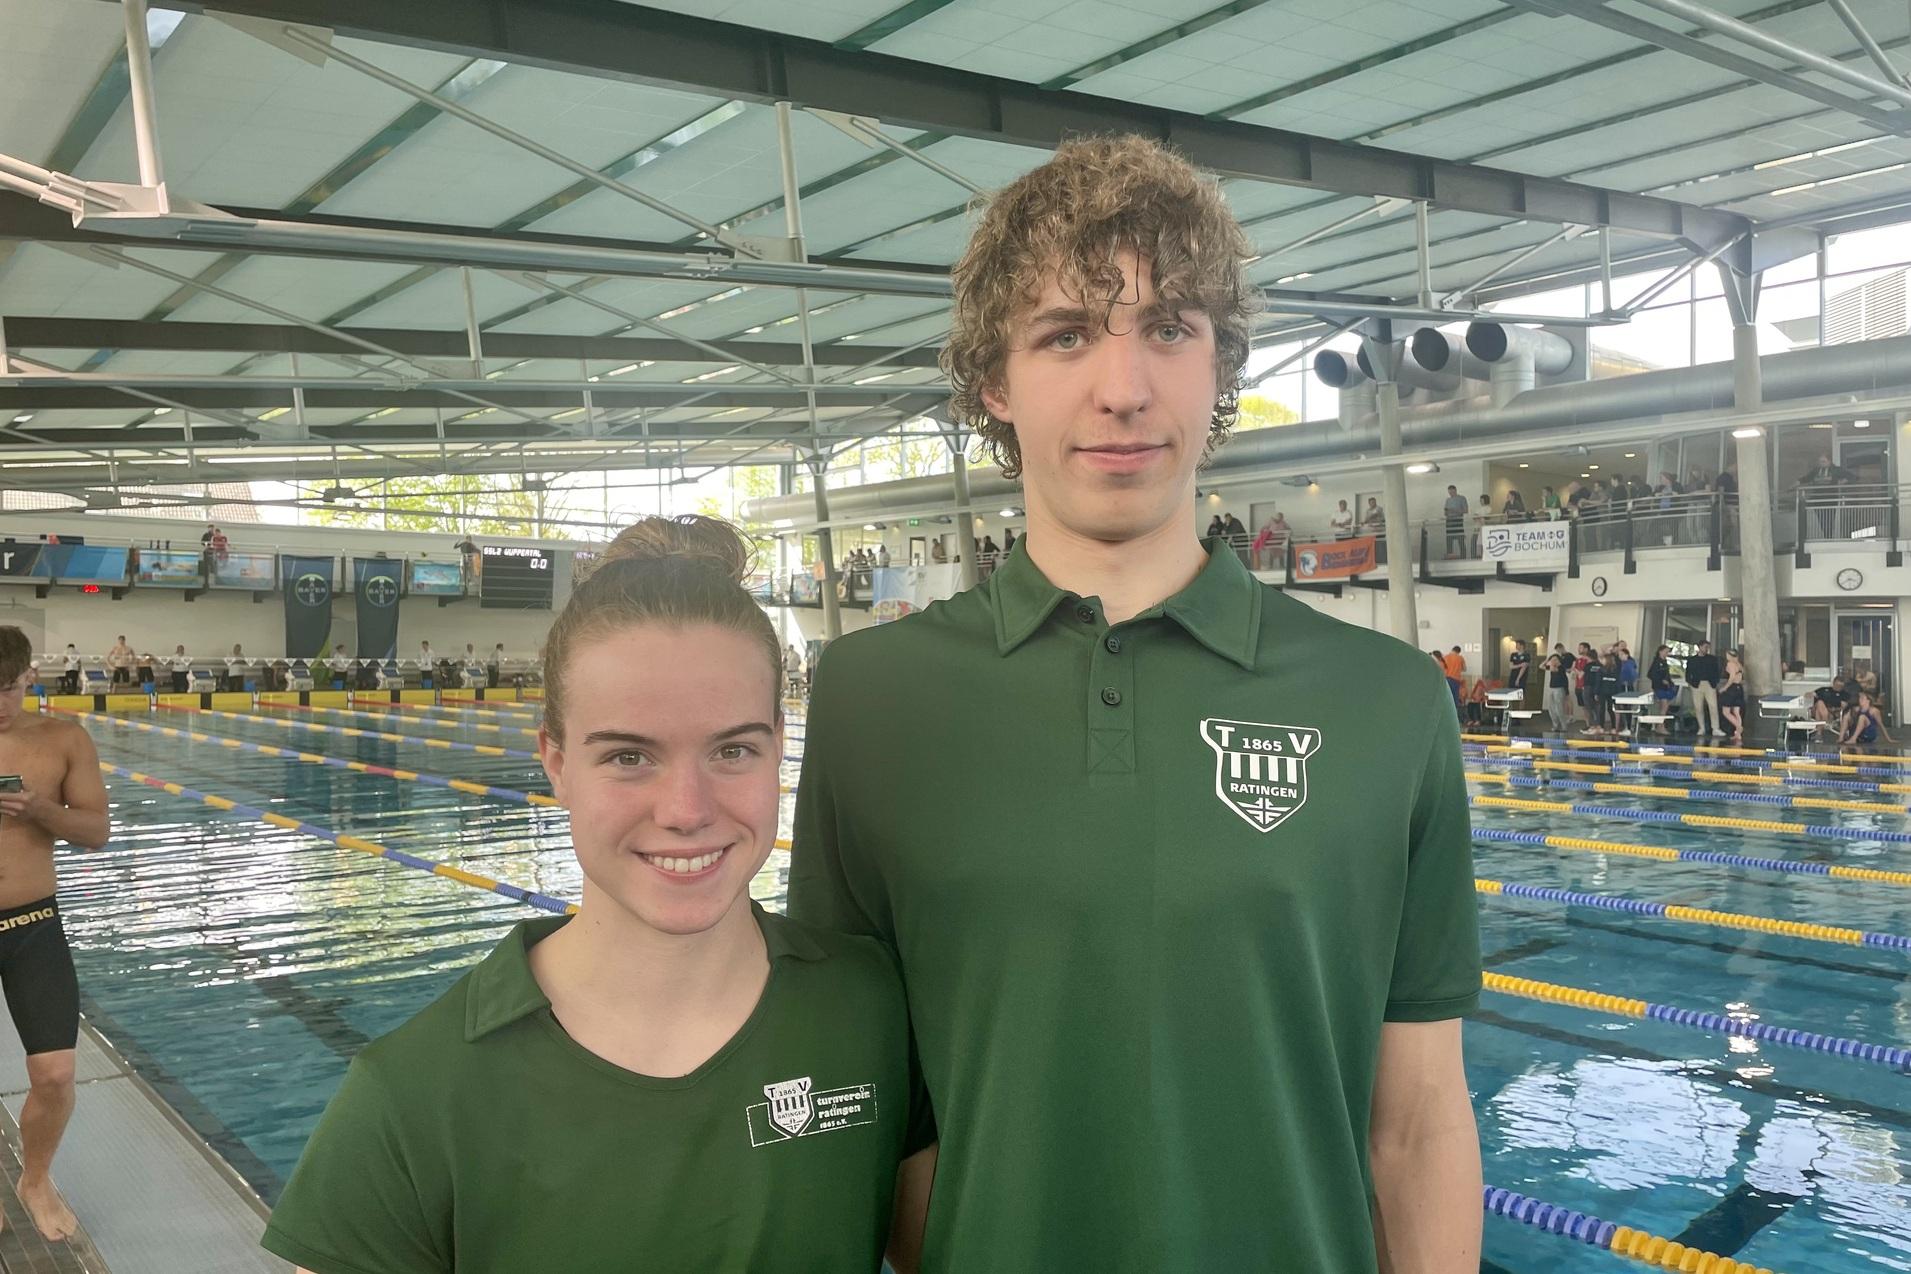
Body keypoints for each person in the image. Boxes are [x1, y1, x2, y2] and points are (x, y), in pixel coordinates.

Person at [791, 135, 1484, 1274]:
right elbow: (869, 1113)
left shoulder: (1388, 703)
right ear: (994, 384)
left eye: (1169, 328)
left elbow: (1416, 1124)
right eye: (1066, 335)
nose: (1124, 388)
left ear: (1221, 368)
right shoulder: (876, 701)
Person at [262, 518, 928, 1273]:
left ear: (778, 744)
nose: (685, 808)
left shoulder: (872, 1010)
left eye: (732, 749)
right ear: (555, 759)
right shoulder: (414, 1098)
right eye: (628, 755)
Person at [0, 626, 111, 1242]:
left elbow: (97, 832)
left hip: (31, 923)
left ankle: (35, 1179)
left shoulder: (63, 739)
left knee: (55, 1074)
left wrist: (39, 810)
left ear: (27, 679)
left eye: (9, 691)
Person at [1686, 639, 1725, 738]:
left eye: (1708, 647)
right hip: (1696, 685)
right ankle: (1701, 728)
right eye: (1705, 647)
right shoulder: (1692, 660)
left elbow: (1717, 671)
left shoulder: (1712, 659)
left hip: (1709, 684)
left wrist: (1715, 683)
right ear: (1699, 647)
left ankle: (1715, 728)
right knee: (1698, 707)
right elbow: (1688, 673)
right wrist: (1691, 684)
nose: (1706, 649)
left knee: (1713, 706)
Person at [1648, 645, 1677, 735]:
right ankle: (1661, 726)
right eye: (1665, 651)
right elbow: (1651, 674)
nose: (1666, 654)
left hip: (1665, 687)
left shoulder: (1664, 662)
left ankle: (1659, 725)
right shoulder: (1656, 662)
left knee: (1664, 707)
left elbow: (1667, 675)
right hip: (1659, 687)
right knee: (1664, 707)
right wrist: (1661, 680)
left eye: (1668, 652)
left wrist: (1670, 683)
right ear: (1660, 651)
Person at [1720, 649, 1746, 743]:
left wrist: (1725, 688)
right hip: (1739, 688)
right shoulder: (1739, 665)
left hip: (1732, 689)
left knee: (1725, 711)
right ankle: (1738, 735)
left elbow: (1731, 678)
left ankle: (1739, 727)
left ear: (1730, 656)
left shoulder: (1730, 664)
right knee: (1736, 712)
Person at [1543, 644, 1571, 732]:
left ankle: (1563, 726)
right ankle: (1555, 725)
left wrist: (1550, 662)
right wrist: (1547, 660)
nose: (1552, 661)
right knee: (1551, 707)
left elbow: (1553, 669)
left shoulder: (1560, 668)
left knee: (1559, 708)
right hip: (1552, 688)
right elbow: (1541, 666)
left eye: (1554, 660)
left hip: (1559, 689)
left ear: (1558, 661)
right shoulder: (1552, 666)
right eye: (1552, 660)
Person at [1443, 485, 1467, 557]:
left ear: (1455, 490)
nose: (1451, 494)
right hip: (1449, 522)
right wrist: (1447, 512)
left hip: (1458, 521)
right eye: (1449, 492)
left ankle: (1463, 556)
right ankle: (1450, 556)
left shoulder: (1461, 498)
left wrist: (1454, 510)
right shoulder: (1448, 500)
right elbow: (1445, 512)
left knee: (1461, 540)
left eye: (1452, 492)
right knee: (1449, 540)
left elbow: (1465, 510)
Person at [1441, 645, 1466, 711]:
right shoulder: (1460, 658)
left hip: (1446, 679)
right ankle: (1455, 714)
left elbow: (1442, 668)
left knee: (1447, 697)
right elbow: (1464, 668)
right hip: (1456, 680)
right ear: (1458, 652)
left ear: (1452, 650)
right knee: (1455, 698)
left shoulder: (1445, 657)